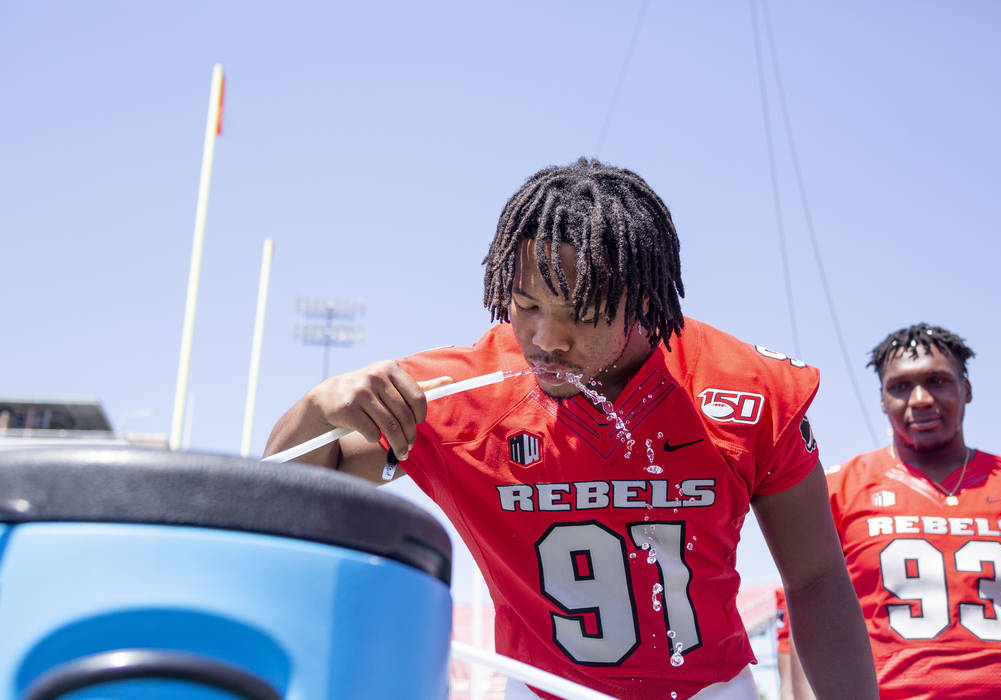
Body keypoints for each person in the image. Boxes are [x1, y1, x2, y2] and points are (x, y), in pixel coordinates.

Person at [265, 158, 877, 699]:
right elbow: (293, 494)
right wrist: (318, 408)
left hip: (710, 690)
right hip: (540, 690)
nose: (545, 340)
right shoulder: (464, 395)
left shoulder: (745, 389)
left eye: (581, 313)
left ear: (644, 300)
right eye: (526, 306)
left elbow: (816, 576)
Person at [791, 323, 1001, 699]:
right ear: (882, 399)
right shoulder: (836, 492)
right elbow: (805, 626)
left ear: (967, 389)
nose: (920, 398)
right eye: (899, 387)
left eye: (937, 381)